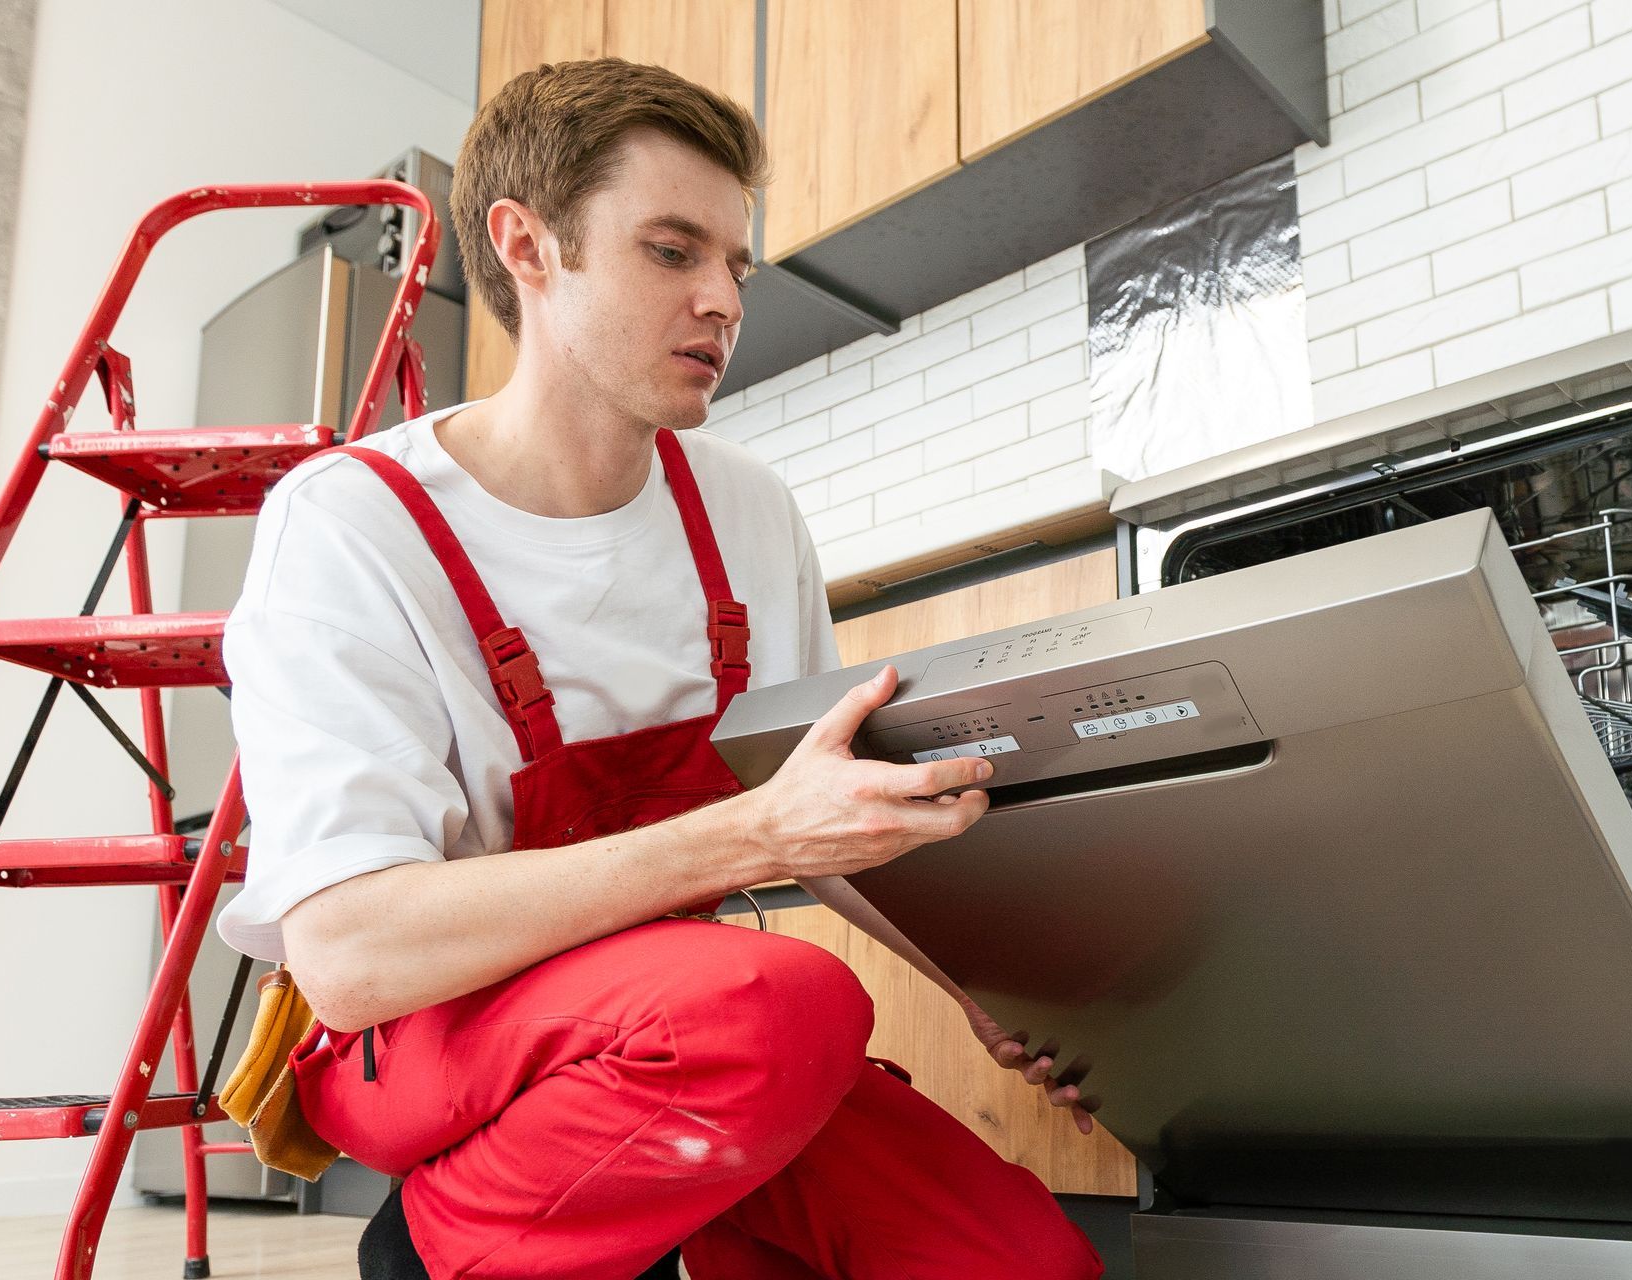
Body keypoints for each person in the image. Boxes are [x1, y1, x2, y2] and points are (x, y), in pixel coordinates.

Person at [216, 56, 1103, 1280]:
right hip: (428, 1030)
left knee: (1019, 1262)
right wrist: (751, 840)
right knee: (777, 1007)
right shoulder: (350, 525)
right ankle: (434, 1252)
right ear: (528, 247)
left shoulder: (745, 510)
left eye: (736, 263)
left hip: (684, 1029)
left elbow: (814, 804)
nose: (725, 300)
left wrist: (974, 982)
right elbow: (352, 958)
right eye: (673, 251)